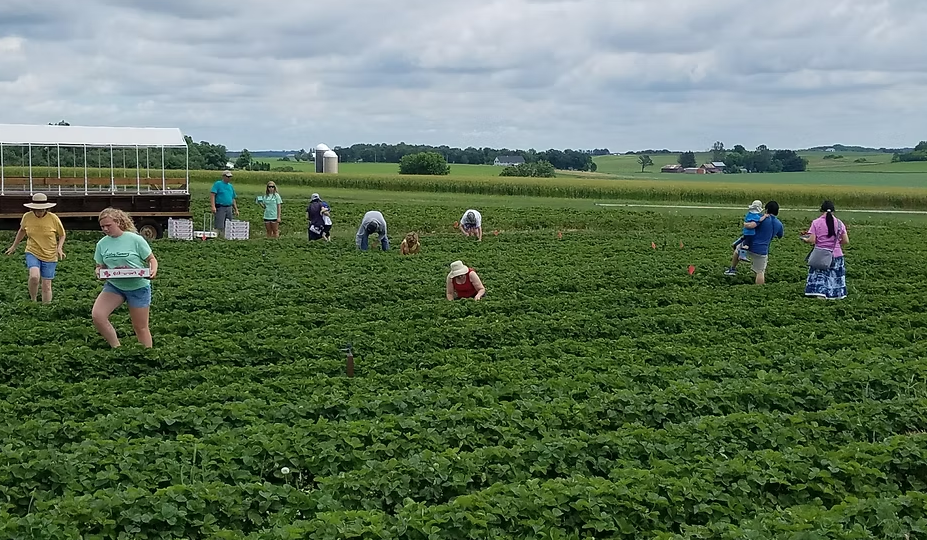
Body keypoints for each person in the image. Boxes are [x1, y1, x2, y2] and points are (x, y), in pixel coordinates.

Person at [91, 208, 159, 348]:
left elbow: (151, 259)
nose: (105, 229)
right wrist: (99, 272)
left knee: (140, 327)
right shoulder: (102, 244)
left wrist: (153, 270)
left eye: (108, 225)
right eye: (102, 226)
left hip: (138, 287)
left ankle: (147, 356)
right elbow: (100, 265)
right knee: (98, 315)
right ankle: (117, 348)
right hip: (115, 286)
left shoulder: (135, 239)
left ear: (118, 222)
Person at [4, 193, 66, 304]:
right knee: (34, 276)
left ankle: (45, 309)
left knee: (46, 285)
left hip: (50, 254)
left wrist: (59, 248)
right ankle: (33, 301)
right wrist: (14, 246)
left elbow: (62, 234)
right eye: (37, 210)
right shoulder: (27, 217)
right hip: (32, 251)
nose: (39, 212)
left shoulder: (53, 218)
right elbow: (22, 230)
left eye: (42, 210)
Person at [724, 200, 783, 285]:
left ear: (766, 210)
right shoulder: (779, 224)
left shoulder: (761, 218)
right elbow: (780, 235)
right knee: (760, 272)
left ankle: (732, 269)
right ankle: (759, 290)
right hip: (762, 250)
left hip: (750, 245)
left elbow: (750, 226)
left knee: (737, 250)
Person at [802, 200, 849, 300]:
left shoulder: (816, 222)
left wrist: (805, 240)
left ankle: (820, 294)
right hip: (836, 254)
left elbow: (812, 240)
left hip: (820, 254)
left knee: (820, 275)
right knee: (834, 276)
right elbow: (845, 241)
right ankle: (836, 295)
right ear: (833, 211)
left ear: (821, 210)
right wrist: (835, 244)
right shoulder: (840, 223)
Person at [726, 200, 765, 270]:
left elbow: (746, 222)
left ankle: (735, 244)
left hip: (746, 232)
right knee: (747, 244)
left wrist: (746, 224)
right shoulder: (756, 216)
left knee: (744, 238)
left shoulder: (748, 214)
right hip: (751, 234)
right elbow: (759, 221)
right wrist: (765, 216)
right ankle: (742, 255)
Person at [210, 170, 239, 235]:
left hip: (229, 207)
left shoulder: (230, 186)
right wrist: (213, 206)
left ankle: (226, 236)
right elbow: (212, 195)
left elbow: (233, 198)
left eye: (230, 177)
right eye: (227, 177)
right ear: (223, 176)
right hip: (220, 207)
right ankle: (218, 235)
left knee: (229, 224)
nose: (229, 178)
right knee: (219, 224)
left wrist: (236, 209)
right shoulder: (218, 184)